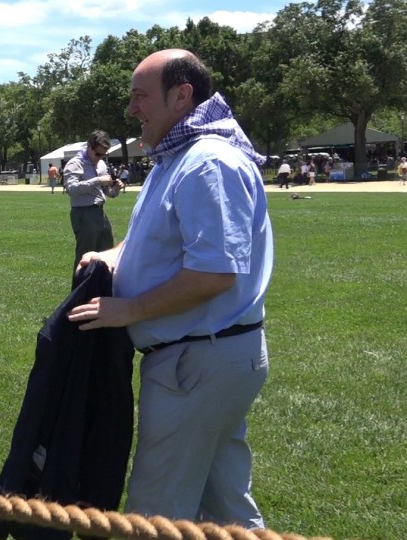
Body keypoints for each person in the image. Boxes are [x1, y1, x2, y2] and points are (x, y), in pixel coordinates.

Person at [67, 49, 271, 530]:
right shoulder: (176, 157)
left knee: (154, 515)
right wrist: (111, 256)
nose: (132, 109)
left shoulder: (208, 163)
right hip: (207, 358)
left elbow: (216, 272)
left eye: (141, 97)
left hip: (196, 362)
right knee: (227, 511)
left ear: (181, 97)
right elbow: (156, 240)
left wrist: (130, 309)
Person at [63, 130, 124, 274]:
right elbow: (71, 189)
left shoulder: (101, 164)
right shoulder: (75, 164)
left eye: (104, 154)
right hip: (84, 213)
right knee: (85, 257)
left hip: (100, 212)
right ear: (89, 146)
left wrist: (115, 189)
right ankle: (79, 293)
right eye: (98, 154)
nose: (100, 157)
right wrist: (97, 180)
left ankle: (101, 291)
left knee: (105, 254)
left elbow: (107, 192)